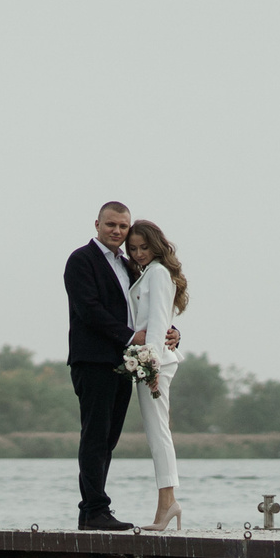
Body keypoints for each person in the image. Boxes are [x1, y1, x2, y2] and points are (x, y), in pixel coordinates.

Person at [62, 201, 174, 530]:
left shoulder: (129, 265)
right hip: (93, 360)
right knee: (95, 436)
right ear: (97, 224)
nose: (117, 231)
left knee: (109, 438)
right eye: (111, 224)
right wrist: (130, 337)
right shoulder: (81, 260)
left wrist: (172, 332)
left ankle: (93, 511)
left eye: (123, 226)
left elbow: (146, 308)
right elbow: (88, 309)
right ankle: (94, 509)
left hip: (125, 364)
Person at [124, 220, 188, 531]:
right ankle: (167, 503)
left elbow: (159, 323)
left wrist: (151, 365)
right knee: (157, 433)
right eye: (133, 249)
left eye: (144, 247)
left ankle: (167, 504)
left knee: (158, 433)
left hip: (155, 364)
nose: (138, 254)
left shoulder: (159, 273)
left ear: (157, 245)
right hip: (153, 361)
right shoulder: (149, 272)